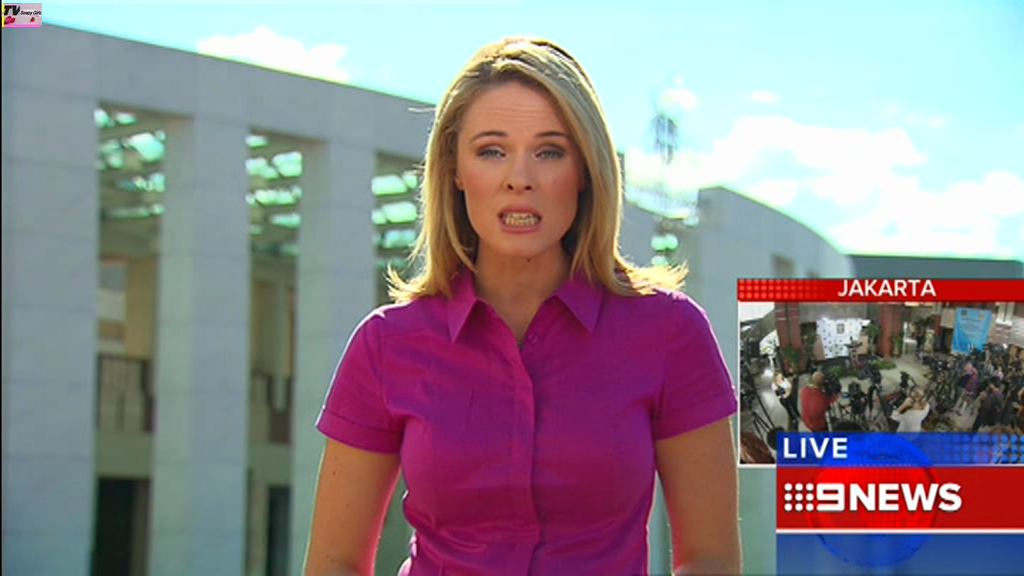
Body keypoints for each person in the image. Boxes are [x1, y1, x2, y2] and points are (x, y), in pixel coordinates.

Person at [304, 37, 741, 576]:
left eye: (550, 151)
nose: (520, 178)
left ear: (585, 169)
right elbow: (335, 563)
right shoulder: (386, 344)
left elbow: (711, 560)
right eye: (492, 151)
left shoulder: (670, 331)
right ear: (456, 170)